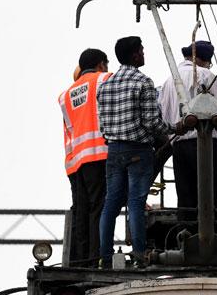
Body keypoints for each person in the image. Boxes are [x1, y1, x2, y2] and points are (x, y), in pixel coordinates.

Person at [97, 36, 175, 266]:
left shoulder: (105, 86)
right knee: (136, 203)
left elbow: (102, 125)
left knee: (111, 203)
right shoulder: (144, 82)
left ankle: (106, 256)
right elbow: (152, 122)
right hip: (139, 150)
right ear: (134, 55)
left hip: (113, 150)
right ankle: (140, 255)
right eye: (141, 50)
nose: (144, 54)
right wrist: (173, 128)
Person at [157, 40, 217, 210]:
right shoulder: (206, 74)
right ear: (202, 59)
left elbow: (163, 112)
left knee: (186, 198)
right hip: (207, 144)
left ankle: (187, 232)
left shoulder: (169, 81)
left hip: (179, 146)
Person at [59, 48, 112, 266]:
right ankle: (96, 257)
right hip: (99, 153)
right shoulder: (104, 80)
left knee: (81, 210)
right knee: (99, 207)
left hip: (74, 161)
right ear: (101, 64)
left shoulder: (65, 95)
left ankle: (80, 260)